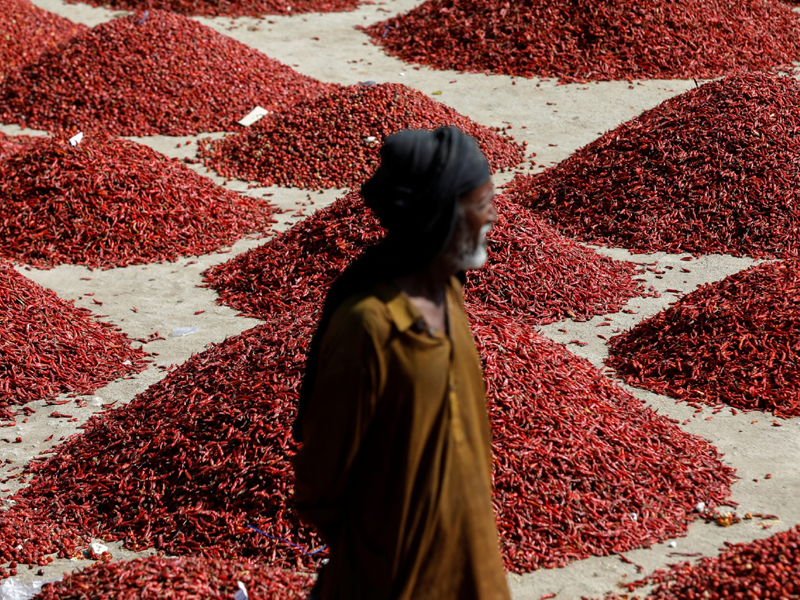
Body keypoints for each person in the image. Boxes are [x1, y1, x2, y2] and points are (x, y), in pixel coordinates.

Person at [292, 126, 511, 600]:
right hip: (393, 578)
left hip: (474, 565)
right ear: (442, 216)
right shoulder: (368, 326)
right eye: (481, 202)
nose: (493, 215)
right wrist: (380, 544)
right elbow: (320, 479)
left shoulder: (450, 293)